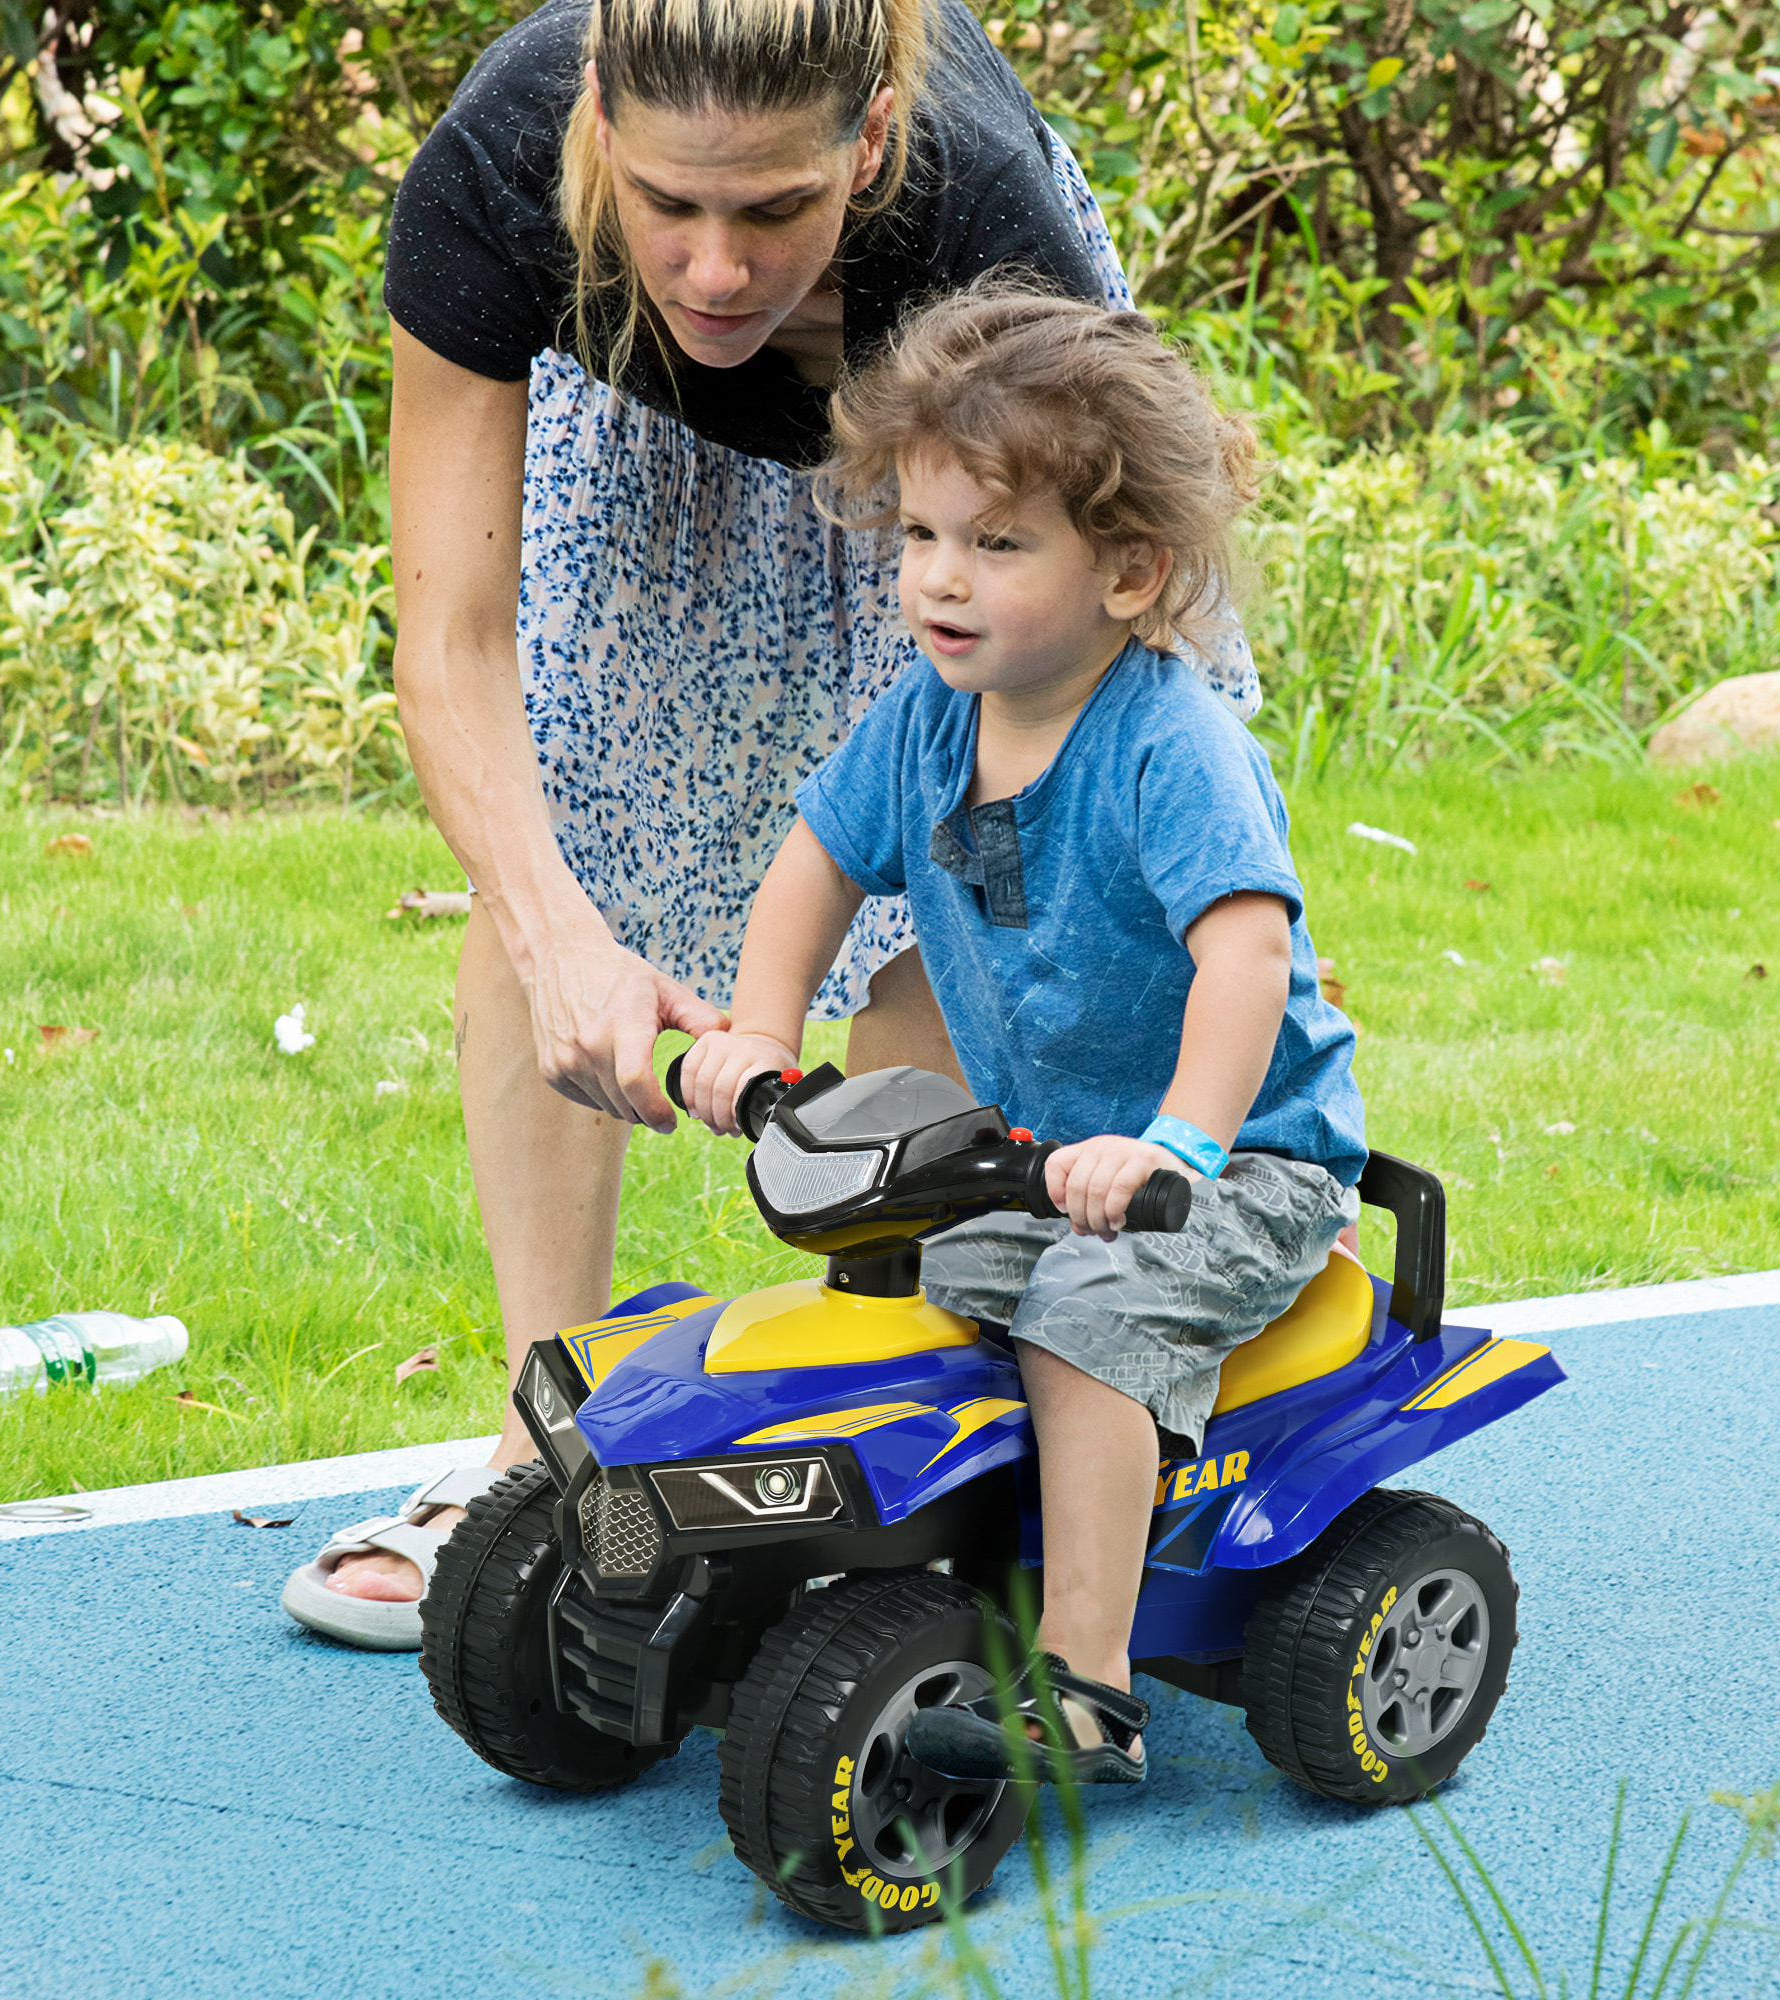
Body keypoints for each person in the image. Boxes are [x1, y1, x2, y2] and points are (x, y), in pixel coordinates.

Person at [280, 0, 1259, 1650]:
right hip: (641, 424)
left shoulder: (979, 219)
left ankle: (932, 1433)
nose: (718, 267)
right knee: (557, 843)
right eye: (668, 201)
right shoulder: (501, 171)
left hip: (981, 456)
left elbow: (1046, 739)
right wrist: (561, 942)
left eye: (774, 208)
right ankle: (540, 1450)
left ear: (867, 144)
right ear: (599, 116)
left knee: (981, 856)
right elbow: (453, 642)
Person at [681, 288, 1365, 1782]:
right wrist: (757, 1033)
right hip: (1050, 1152)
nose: (941, 576)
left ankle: (1090, 1680)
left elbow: (1245, 958)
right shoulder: (929, 720)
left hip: (1237, 1162)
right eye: (922, 533)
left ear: (1129, 570)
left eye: (997, 544)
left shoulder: (1172, 747)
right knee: (913, 1290)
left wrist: (1180, 1143)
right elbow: (814, 865)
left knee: (1084, 1314)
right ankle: (905, 1574)